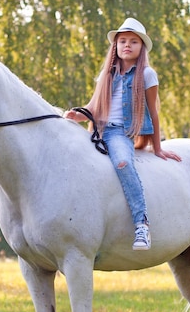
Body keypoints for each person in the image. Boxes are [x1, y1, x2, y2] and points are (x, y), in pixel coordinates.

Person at [65, 18, 181, 251]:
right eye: (123, 41)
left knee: (122, 162)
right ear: (115, 46)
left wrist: (157, 148)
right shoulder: (106, 75)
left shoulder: (147, 75)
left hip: (119, 133)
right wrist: (76, 116)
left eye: (133, 41)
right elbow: (94, 108)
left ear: (141, 48)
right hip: (98, 130)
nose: (127, 45)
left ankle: (141, 224)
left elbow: (154, 112)